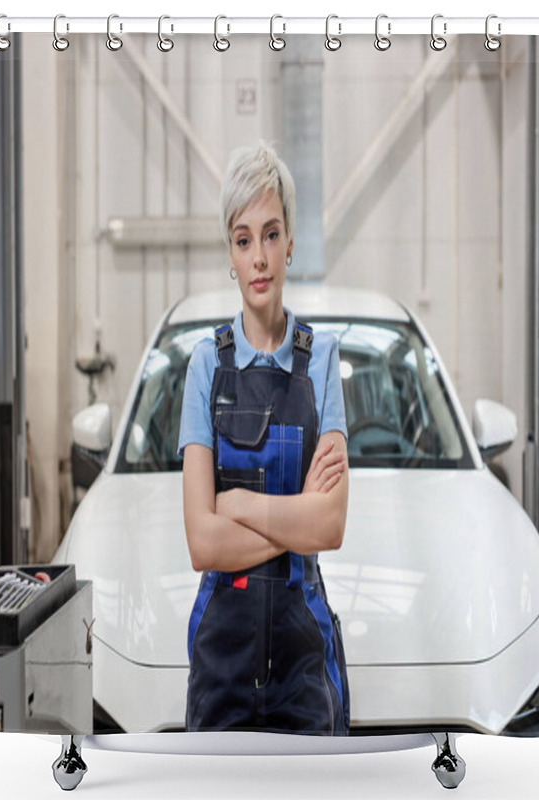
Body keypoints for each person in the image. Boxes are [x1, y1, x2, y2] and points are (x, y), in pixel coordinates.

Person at [178, 142, 350, 735]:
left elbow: (329, 528)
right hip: (220, 663)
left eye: (272, 234)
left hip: (304, 666)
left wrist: (241, 505)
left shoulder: (322, 360)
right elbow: (202, 542)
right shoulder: (205, 365)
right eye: (244, 238)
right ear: (231, 252)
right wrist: (294, 518)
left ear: (292, 243)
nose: (259, 256)